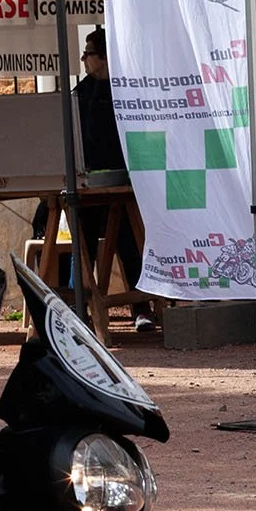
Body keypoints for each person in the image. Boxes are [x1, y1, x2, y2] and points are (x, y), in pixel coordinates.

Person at [73, 28, 157, 334]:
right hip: (90, 183)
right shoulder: (81, 93)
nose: (83, 59)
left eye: (89, 54)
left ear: (105, 57)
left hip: (125, 181)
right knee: (83, 243)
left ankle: (141, 306)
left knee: (129, 242)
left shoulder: (126, 89)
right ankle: (79, 307)